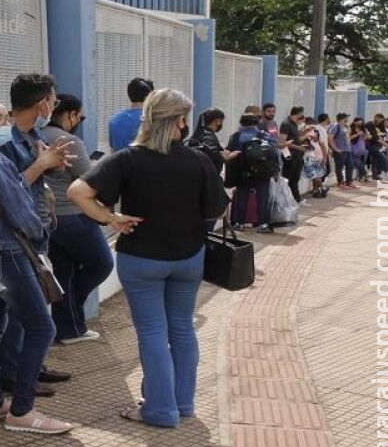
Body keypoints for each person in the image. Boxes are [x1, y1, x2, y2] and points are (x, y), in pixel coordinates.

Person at [68, 88, 228, 428]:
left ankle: (159, 409)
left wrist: (110, 219)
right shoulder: (198, 159)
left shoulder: (127, 158)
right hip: (188, 257)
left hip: (141, 258)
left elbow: (77, 192)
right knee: (182, 328)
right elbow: (217, 207)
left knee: (153, 332)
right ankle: (183, 404)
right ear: (179, 121)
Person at [0, 96, 73, 435]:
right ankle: (22, 410)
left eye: (6, 117)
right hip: (8, 249)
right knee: (41, 326)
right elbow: (19, 207)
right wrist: (40, 234)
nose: (5, 124)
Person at [0, 74, 74, 399]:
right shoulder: (3, 142)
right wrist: (41, 165)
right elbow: (5, 193)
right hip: (15, 239)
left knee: (38, 306)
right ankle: (15, 379)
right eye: (53, 102)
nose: (53, 107)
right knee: (22, 315)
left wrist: (51, 165)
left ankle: (32, 366)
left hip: (37, 232)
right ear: (42, 103)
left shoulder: (32, 134)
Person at [43, 94, 114, 344]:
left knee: (64, 273)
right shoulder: (69, 140)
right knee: (102, 264)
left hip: (48, 219)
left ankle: (69, 327)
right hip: (74, 216)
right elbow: (88, 178)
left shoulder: (35, 136)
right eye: (80, 117)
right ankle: (72, 315)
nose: (78, 121)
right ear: (70, 114)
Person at [187, 108, 240, 231]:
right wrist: (225, 157)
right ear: (217, 121)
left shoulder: (198, 134)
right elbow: (211, 154)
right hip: (209, 182)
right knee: (211, 215)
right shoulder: (209, 135)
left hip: (197, 180)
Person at [227, 113, 280, 233]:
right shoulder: (263, 134)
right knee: (263, 197)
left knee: (242, 196)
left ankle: (239, 224)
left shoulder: (237, 136)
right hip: (263, 171)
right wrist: (276, 169)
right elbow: (274, 149)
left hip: (244, 171)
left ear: (241, 123)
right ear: (256, 123)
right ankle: (264, 225)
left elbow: (230, 152)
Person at [108, 78, 154, 151]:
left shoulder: (114, 119)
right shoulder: (152, 120)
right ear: (148, 96)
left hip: (119, 161)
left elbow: (112, 148)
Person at [279, 106, 309, 205]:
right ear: (298, 113)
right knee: (288, 178)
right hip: (290, 155)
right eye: (301, 113)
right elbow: (282, 142)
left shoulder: (294, 124)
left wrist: (304, 142)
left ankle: (295, 199)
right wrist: (298, 148)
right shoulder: (286, 124)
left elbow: (296, 139)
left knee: (295, 178)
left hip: (298, 156)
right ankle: (286, 200)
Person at [327, 113, 355, 189]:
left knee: (351, 165)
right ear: (342, 118)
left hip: (347, 149)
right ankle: (340, 182)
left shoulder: (346, 127)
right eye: (346, 118)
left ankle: (349, 181)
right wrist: (335, 149)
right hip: (340, 150)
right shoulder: (335, 126)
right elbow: (330, 138)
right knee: (339, 166)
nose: (347, 119)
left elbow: (348, 137)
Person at [302, 117, 328, 198]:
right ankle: (321, 188)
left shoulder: (316, 132)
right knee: (314, 175)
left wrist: (324, 157)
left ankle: (318, 190)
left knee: (316, 175)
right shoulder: (303, 132)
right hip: (308, 157)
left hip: (317, 157)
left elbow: (323, 146)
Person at [365, 114, 388, 180]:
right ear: (376, 117)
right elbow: (373, 137)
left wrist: (383, 142)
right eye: (379, 120)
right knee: (382, 158)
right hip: (370, 145)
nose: (379, 122)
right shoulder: (369, 124)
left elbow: (376, 137)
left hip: (375, 145)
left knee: (375, 160)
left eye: (380, 121)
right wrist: (383, 142)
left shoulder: (375, 126)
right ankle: (381, 173)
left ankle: (376, 176)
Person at [315, 113, 332, 190]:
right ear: (326, 119)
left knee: (325, 171)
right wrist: (324, 156)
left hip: (324, 152)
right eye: (328, 118)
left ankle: (317, 188)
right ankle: (319, 188)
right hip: (320, 153)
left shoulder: (323, 129)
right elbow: (321, 143)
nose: (329, 120)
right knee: (323, 171)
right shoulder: (318, 128)